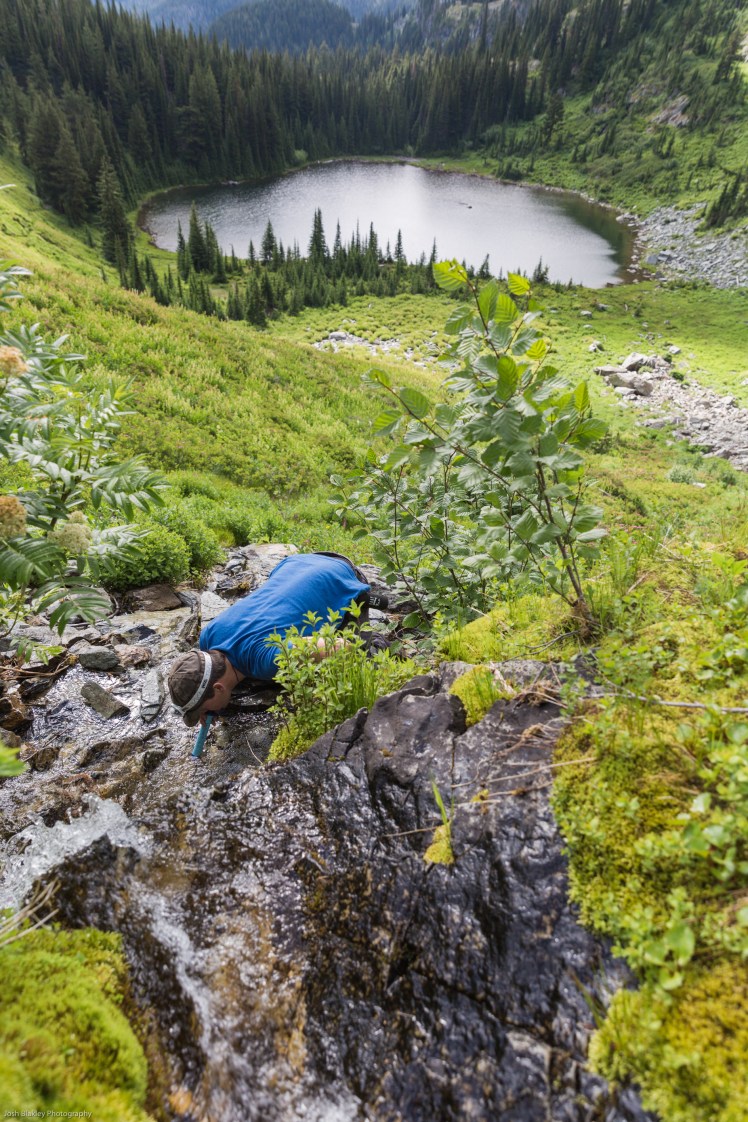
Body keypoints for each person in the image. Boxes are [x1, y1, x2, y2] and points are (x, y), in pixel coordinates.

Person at [168, 552, 386, 728]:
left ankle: (365, 609)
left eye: (204, 710)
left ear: (218, 688)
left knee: (362, 652)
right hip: (297, 564)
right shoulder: (207, 636)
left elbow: (340, 647)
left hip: (341, 572)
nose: (204, 715)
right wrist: (210, 704)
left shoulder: (267, 660)